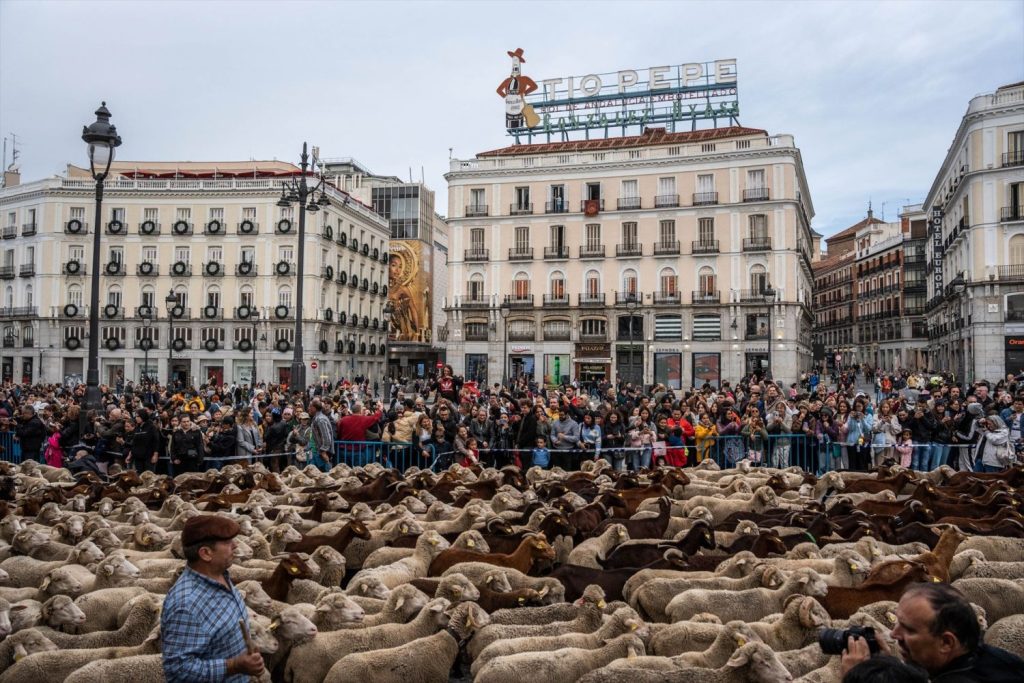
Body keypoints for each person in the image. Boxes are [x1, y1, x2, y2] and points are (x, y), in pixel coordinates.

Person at [840, 583, 1024, 682]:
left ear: (946, 642)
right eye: (897, 623)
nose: (893, 634)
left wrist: (858, 676)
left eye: (909, 629)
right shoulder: (1000, 662)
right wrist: (889, 667)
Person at [161, 514, 264, 682]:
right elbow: (178, 669)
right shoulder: (186, 604)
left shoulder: (221, 575)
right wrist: (234, 665)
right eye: (227, 542)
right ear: (206, 553)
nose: (236, 545)